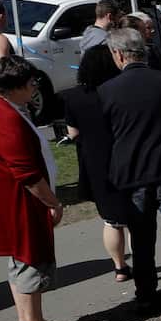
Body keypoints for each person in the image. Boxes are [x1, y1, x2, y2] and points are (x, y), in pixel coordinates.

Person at [0, 56, 75, 321]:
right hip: (21, 201)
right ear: (12, 88)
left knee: (18, 261)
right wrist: (53, 202)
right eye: (29, 84)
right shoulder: (6, 118)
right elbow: (26, 172)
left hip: (1, 200)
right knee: (31, 261)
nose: (34, 88)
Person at [101, 28, 161, 316]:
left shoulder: (107, 90)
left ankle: (146, 295)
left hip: (133, 170)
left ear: (118, 54)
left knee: (142, 238)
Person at [63, 46, 129, 282]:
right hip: (124, 157)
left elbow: (73, 132)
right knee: (135, 217)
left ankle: (120, 267)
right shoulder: (118, 91)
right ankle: (143, 262)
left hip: (94, 161)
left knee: (111, 221)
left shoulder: (73, 97)